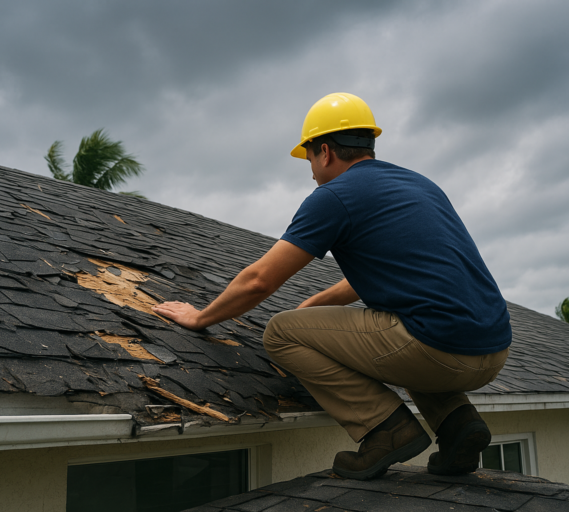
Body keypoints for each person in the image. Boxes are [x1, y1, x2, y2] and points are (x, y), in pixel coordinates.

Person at [153, 92, 512, 480]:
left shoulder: (334, 196)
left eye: (308, 158)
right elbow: (362, 283)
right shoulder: (420, 185)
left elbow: (259, 281)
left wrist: (199, 317)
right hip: (492, 351)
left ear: (325, 151)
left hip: (435, 350)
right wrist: (309, 313)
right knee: (405, 322)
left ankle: (386, 429)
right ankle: (458, 426)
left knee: (279, 332)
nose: (310, 171)